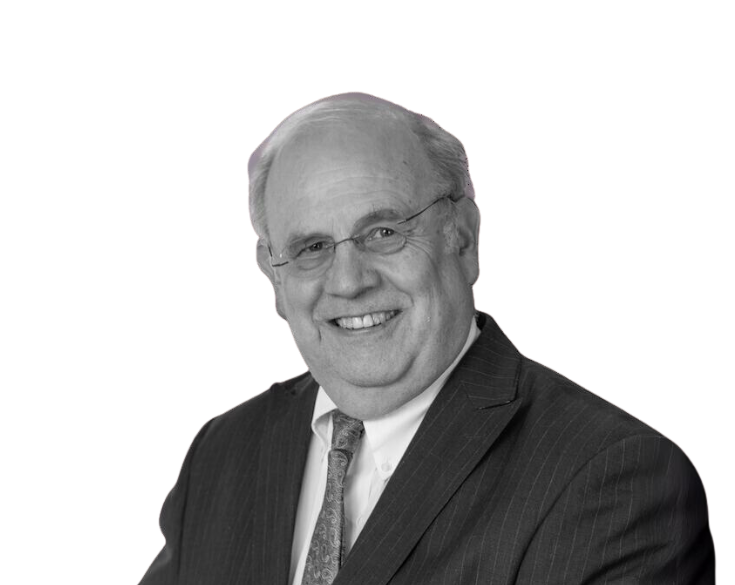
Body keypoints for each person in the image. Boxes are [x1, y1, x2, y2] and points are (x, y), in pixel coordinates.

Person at [139, 93, 715, 584]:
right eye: (312, 247)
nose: (349, 281)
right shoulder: (223, 454)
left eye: (383, 232)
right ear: (274, 277)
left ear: (462, 238)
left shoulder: (617, 482)